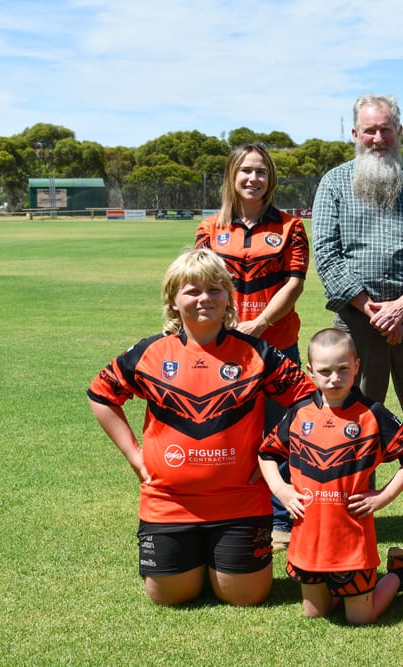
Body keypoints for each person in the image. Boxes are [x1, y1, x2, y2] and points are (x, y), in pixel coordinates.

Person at [87, 249, 314, 607]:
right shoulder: (150, 353)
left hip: (240, 500)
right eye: (192, 291)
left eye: (214, 289)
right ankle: (203, 562)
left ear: (228, 297)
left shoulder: (257, 353)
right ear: (173, 301)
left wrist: (272, 455)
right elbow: (101, 395)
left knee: (245, 596)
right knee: (170, 596)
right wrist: (135, 457)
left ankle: (219, 563)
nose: (204, 298)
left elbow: (308, 402)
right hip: (167, 501)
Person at [312, 93, 403, 553]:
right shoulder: (334, 184)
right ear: (354, 134)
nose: (377, 138)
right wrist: (371, 307)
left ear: (399, 132)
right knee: (352, 418)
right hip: (355, 323)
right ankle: (351, 508)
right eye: (369, 130)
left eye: (385, 129)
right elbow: (327, 253)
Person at [258, 328, 403, 625]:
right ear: (310, 371)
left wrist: (385, 495)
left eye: (343, 369)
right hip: (308, 538)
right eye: (325, 371)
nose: (334, 378)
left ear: (357, 367)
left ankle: (399, 573)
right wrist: (281, 490)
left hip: (351, 540)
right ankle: (338, 586)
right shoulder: (299, 413)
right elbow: (267, 453)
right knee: (315, 613)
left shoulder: (371, 414)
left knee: (361, 618)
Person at [195, 143, 310, 551]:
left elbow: (294, 284)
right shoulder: (209, 229)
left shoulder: (290, 227)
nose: (253, 179)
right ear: (232, 175)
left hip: (276, 346)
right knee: (228, 432)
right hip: (223, 350)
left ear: (270, 179)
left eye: (261, 172)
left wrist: (260, 324)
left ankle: (282, 519)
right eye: (245, 171)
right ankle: (234, 513)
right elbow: (198, 286)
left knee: (281, 434)